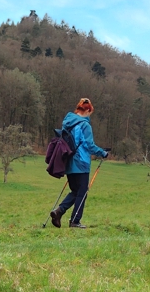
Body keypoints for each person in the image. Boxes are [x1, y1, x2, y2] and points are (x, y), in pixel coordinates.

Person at [49, 98, 109, 229]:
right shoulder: (84, 125)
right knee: (82, 192)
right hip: (81, 163)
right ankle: (75, 221)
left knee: (75, 190)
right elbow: (89, 145)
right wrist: (103, 153)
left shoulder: (67, 123)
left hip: (68, 162)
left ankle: (58, 211)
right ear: (87, 110)